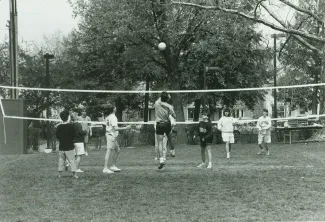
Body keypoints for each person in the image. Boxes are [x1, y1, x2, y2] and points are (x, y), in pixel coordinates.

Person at [103, 105, 131, 174]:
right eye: (115, 107)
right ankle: (105, 168)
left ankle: (112, 166)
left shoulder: (108, 117)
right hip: (111, 136)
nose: (116, 108)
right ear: (113, 109)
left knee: (117, 150)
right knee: (108, 151)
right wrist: (126, 128)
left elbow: (106, 126)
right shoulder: (113, 117)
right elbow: (115, 128)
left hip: (112, 136)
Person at [155, 91, 176, 169]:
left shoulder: (157, 103)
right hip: (167, 124)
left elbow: (160, 99)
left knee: (160, 142)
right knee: (170, 139)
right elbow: (175, 116)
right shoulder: (169, 106)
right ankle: (173, 151)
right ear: (167, 98)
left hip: (159, 124)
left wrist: (165, 96)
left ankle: (161, 160)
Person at [56, 110, 78, 179]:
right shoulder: (71, 126)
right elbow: (74, 135)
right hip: (69, 147)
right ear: (68, 117)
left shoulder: (59, 127)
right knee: (72, 160)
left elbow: (57, 136)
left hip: (62, 146)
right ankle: (74, 174)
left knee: (61, 160)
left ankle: (60, 174)